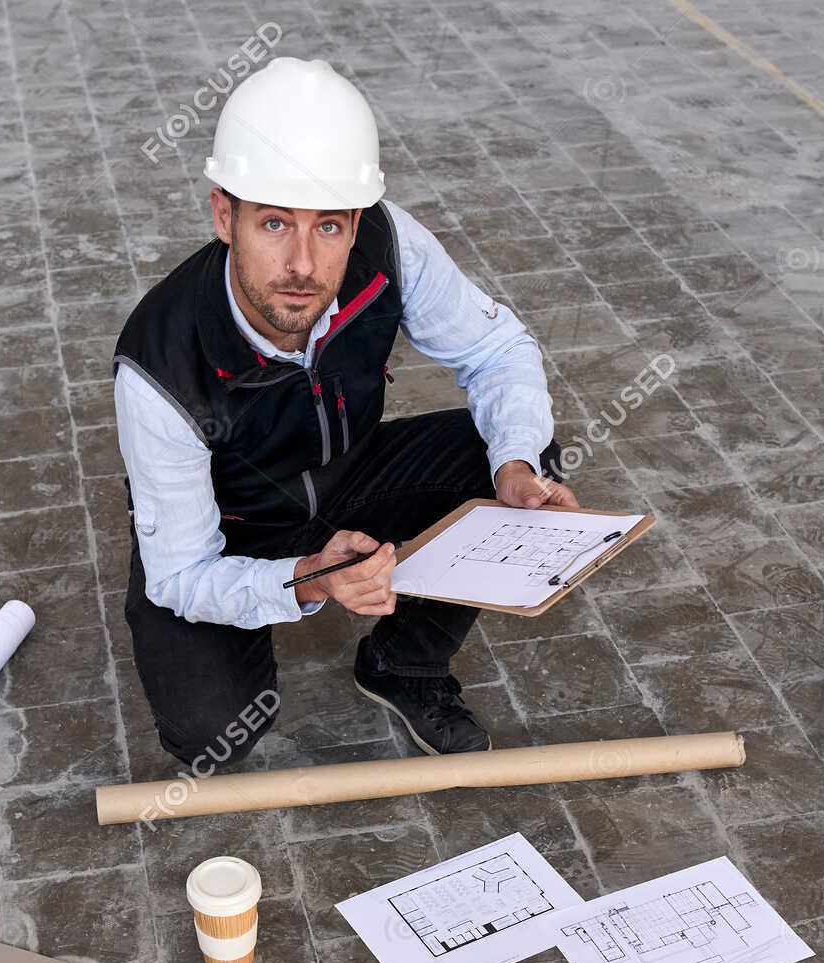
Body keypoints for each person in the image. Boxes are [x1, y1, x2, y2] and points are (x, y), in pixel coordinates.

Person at [114, 57, 578, 771]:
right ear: (223, 216)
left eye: (329, 226)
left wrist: (513, 465)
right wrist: (311, 578)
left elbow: (496, 350)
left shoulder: (390, 245)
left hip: (351, 478)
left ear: (356, 220)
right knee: (211, 735)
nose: (302, 263)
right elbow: (181, 575)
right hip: (229, 529)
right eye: (273, 223)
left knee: (527, 456)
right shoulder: (159, 367)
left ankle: (402, 664)